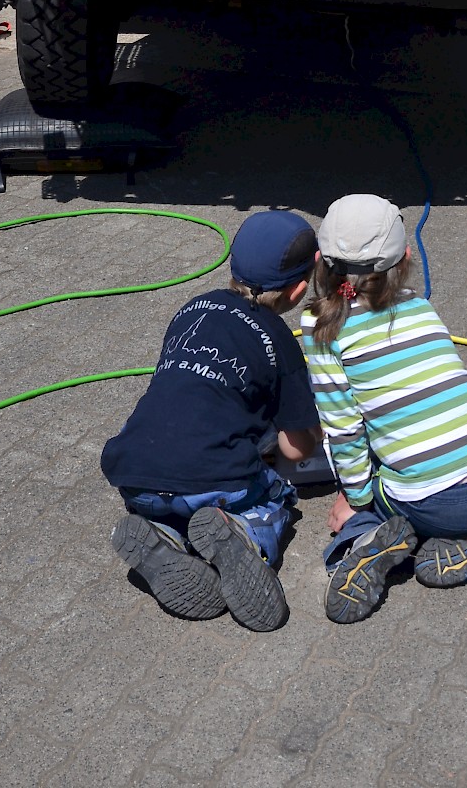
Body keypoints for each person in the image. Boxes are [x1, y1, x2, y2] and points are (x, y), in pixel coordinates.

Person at [301, 194, 467, 624]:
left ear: (319, 260)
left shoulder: (319, 327)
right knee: (441, 465)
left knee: (372, 487)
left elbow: (343, 428)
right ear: (405, 257)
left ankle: (365, 538)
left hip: (437, 500)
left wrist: (355, 498)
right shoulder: (420, 306)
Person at [101, 209, 321, 632]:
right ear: (298, 290)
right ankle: (245, 532)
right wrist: (310, 432)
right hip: (216, 478)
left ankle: (163, 531)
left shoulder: (193, 308)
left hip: (135, 473)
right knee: (275, 495)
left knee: (180, 490)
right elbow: (297, 448)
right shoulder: (278, 341)